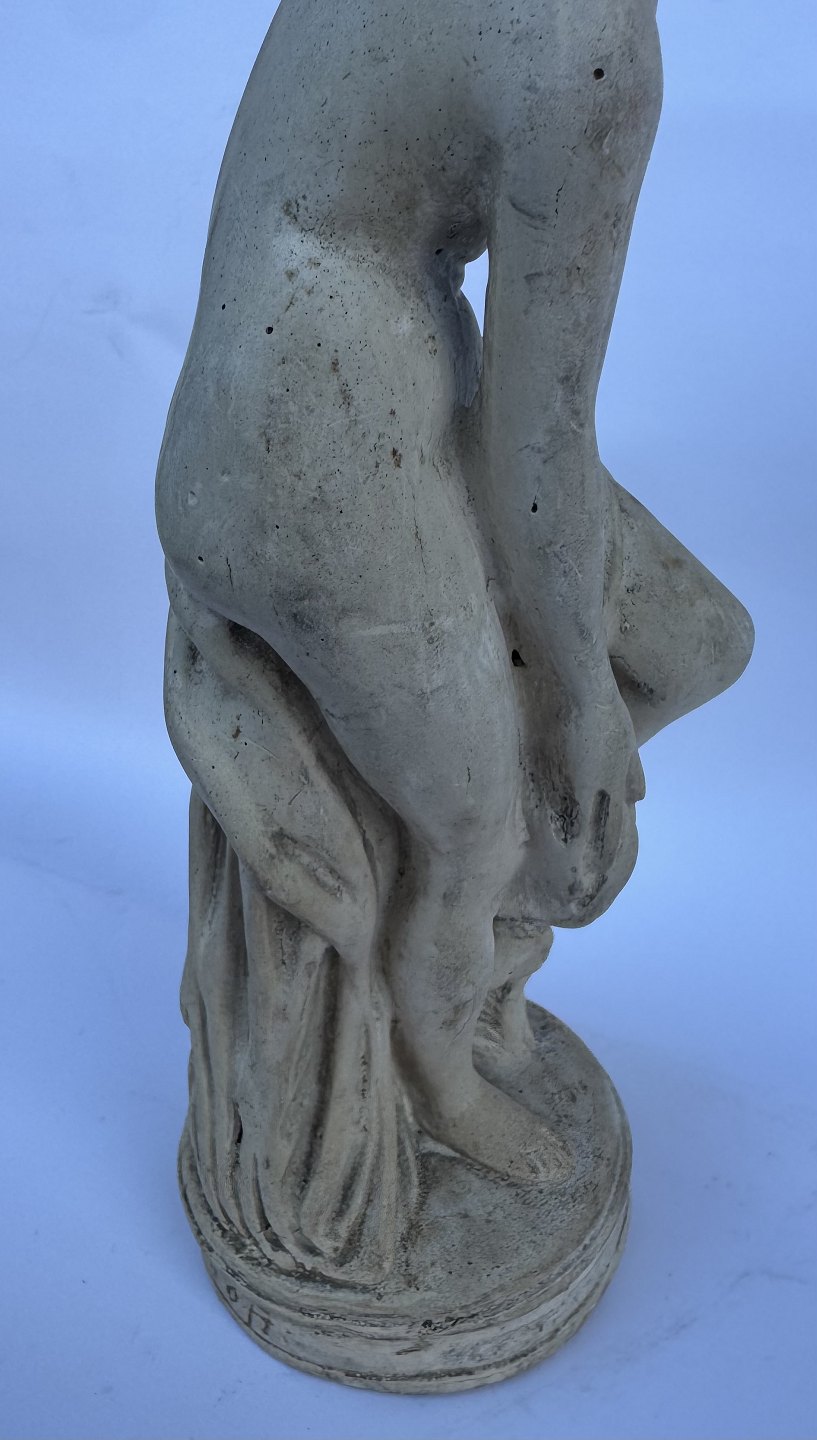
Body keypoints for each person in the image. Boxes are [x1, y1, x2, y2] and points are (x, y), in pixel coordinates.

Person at [157, 0, 753, 1183]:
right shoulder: (587, 55)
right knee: (474, 832)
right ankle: (439, 1076)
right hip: (298, 437)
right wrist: (576, 697)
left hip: (361, 371)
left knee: (698, 643)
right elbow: (539, 445)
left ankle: (481, 913)